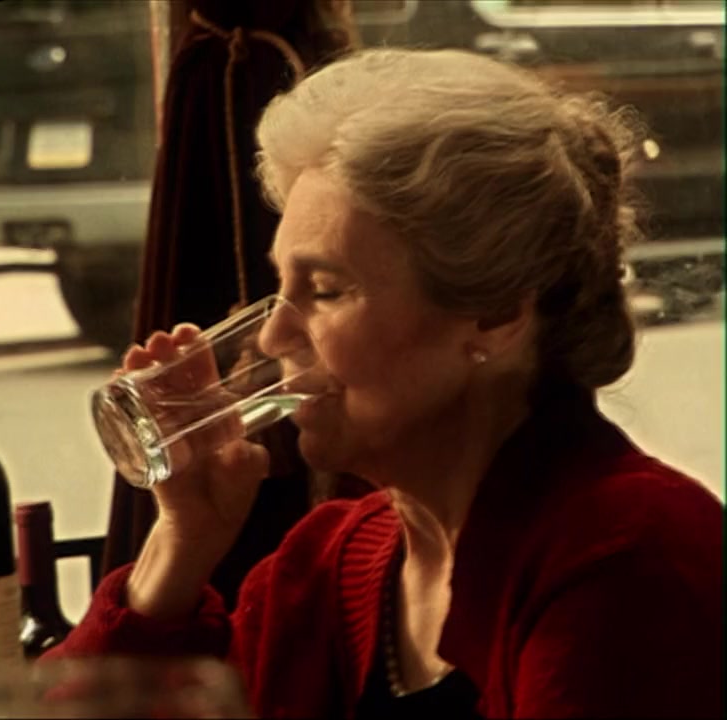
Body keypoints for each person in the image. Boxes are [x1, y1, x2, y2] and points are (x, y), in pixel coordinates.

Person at [46, 47, 724, 718]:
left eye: (326, 290)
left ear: (496, 315)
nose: (273, 337)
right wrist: (179, 543)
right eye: (281, 285)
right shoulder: (323, 565)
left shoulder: (630, 557)